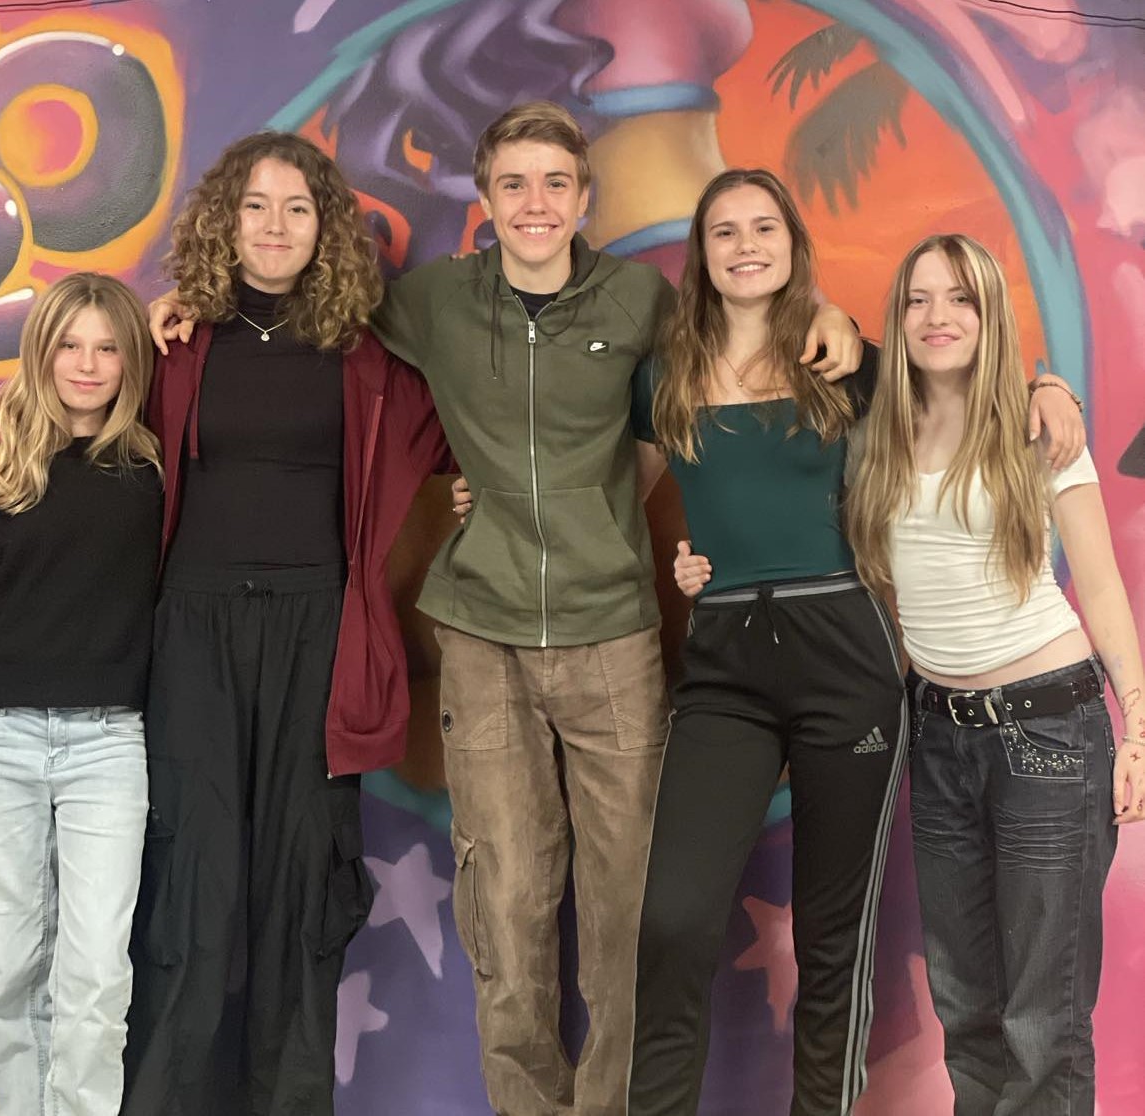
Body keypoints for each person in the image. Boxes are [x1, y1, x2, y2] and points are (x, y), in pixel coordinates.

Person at [367, 105, 874, 1116]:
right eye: (514, 183)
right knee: (507, 897)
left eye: (556, 182)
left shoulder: (639, 298)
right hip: (483, 631)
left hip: (614, 633)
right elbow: (323, 318)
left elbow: (745, 324)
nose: (536, 203)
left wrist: (835, 315)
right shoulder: (435, 299)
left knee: (628, 904)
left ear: (585, 197)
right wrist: (185, 305)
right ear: (484, 197)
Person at [622, 171, 1085, 1116]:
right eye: (724, 231)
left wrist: (1046, 386)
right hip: (724, 665)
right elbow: (608, 501)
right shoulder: (660, 378)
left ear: (794, 244)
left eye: (764, 228)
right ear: (701, 254)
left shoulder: (850, 361)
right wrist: (677, 560)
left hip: (848, 658)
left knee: (834, 938)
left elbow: (963, 379)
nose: (745, 246)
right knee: (672, 920)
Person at [58, 132, 449, 1116]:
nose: (275, 227)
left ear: (326, 229)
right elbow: (70, 413)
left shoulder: (369, 358)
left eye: (297, 208)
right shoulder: (172, 344)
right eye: (256, 206)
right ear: (225, 222)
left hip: (320, 635)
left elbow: (489, 422)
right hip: (190, 634)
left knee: (302, 884)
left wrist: (480, 484)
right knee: (193, 883)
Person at [843, 233, 1145, 1114]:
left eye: (960, 298)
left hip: (1048, 733)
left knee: (1042, 1023)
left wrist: (1139, 727)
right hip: (939, 736)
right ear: (898, 318)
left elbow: (1102, 588)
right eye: (918, 299)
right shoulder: (878, 436)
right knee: (967, 1008)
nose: (937, 317)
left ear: (990, 314)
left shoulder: (1035, 424)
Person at [0, 273, 163, 1116]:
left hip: (109, 744)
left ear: (131, 362)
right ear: (41, 352)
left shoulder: (151, 472)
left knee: (95, 973)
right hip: (0, 738)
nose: (87, 365)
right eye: (69, 345)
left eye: (108, 347)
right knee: (9, 967)